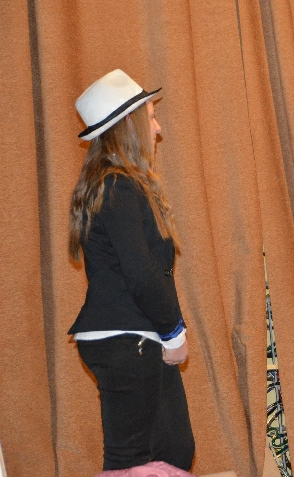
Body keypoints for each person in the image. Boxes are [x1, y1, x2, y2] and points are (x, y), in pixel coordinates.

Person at [68, 69, 194, 471]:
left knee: (174, 449)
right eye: (151, 117)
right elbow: (142, 274)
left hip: (132, 338)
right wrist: (174, 332)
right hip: (128, 339)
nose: (157, 128)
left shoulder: (114, 185)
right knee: (131, 460)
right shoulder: (117, 186)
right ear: (129, 125)